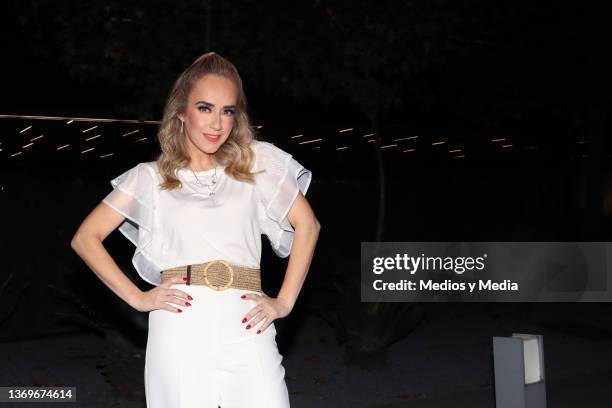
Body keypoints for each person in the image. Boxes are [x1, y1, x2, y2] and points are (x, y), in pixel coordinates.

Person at [70, 51, 321, 408]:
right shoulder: (150, 177)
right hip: (180, 327)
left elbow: (308, 224)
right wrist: (139, 298)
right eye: (205, 108)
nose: (217, 123)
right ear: (181, 114)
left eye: (227, 111)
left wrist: (284, 301)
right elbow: (85, 238)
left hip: (247, 324)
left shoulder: (256, 163)